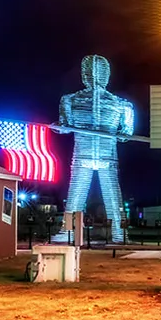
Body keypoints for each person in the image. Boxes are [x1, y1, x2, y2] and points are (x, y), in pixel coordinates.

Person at [57, 55, 134, 243]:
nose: (95, 75)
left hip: (107, 156)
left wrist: (120, 133)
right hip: (83, 155)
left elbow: (126, 133)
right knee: (76, 197)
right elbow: (65, 127)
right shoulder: (70, 101)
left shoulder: (122, 105)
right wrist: (60, 127)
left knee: (113, 199)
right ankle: (67, 232)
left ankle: (120, 234)